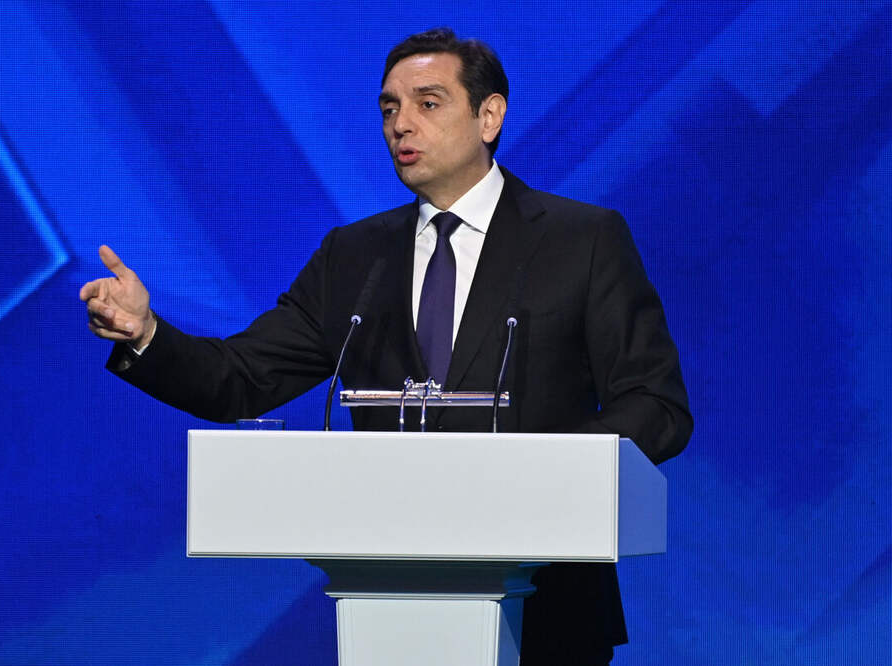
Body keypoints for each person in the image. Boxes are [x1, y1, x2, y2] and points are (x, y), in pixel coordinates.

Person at [81, 28, 692, 665]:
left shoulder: (581, 239)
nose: (401, 124)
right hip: (391, 610)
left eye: (428, 103)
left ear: (489, 116)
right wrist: (145, 334)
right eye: (389, 108)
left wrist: (547, 473)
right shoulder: (354, 256)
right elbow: (239, 378)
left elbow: (655, 404)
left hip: (550, 607)